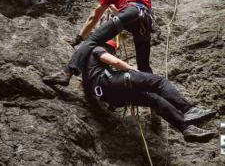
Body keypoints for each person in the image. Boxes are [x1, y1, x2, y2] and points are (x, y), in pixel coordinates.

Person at [83, 40, 217, 142]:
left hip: (110, 96)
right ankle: (187, 110)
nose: (113, 53)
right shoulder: (98, 48)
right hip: (111, 82)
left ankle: (186, 129)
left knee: (154, 99)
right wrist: (130, 69)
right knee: (159, 82)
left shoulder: (88, 69)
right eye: (112, 50)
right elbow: (114, 62)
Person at [44, 0, 153, 86]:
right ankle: (153, 90)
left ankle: (66, 73)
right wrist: (112, 5)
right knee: (144, 64)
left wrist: (79, 38)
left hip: (130, 12)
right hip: (146, 20)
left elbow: (94, 17)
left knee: (91, 41)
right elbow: (132, 12)